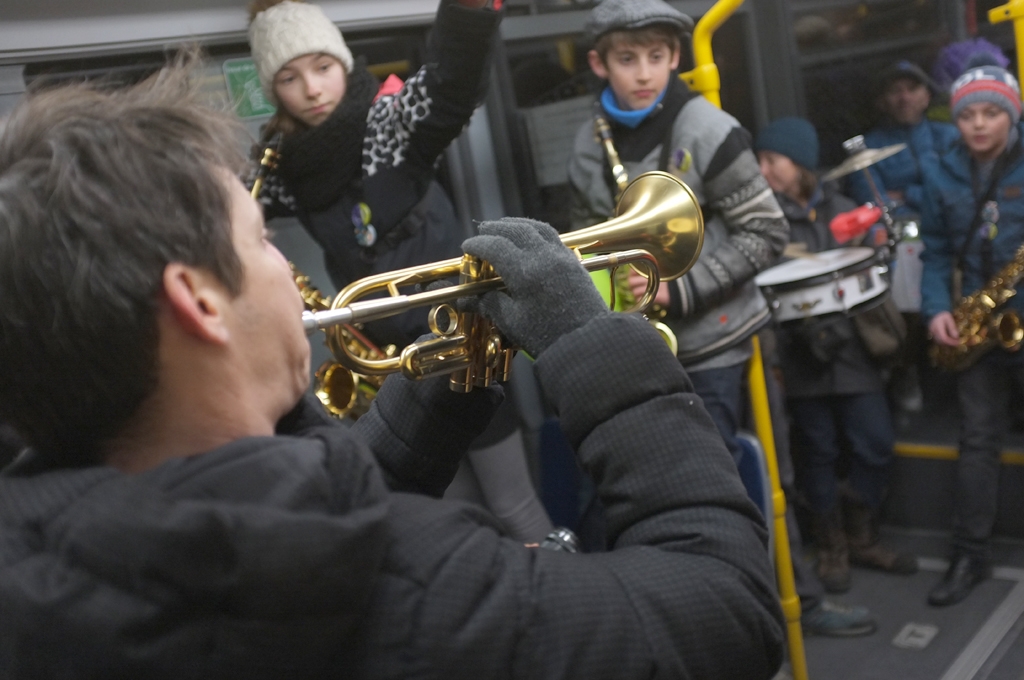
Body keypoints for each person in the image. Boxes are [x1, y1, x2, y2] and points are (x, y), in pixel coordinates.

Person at [0, 54, 785, 678]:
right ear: (198, 303)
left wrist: (439, 392)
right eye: (260, 241)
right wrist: (596, 352)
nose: (284, 265)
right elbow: (729, 607)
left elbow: (293, 508)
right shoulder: (417, 586)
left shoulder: (40, 556)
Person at [247, 0, 553, 542]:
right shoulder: (284, 166)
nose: (312, 89)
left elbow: (450, 87)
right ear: (274, 92)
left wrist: (469, 13)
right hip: (393, 368)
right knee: (454, 514)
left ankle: (560, 607)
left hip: (463, 344)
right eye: (290, 78)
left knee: (512, 505)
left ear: (344, 64)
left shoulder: (384, 125)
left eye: (322, 67)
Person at [567, 0, 789, 472]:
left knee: (709, 470)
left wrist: (679, 291)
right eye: (627, 60)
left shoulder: (711, 129)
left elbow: (767, 231)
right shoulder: (588, 142)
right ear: (598, 63)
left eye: (656, 56)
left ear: (674, 57)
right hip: (635, 349)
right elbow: (587, 237)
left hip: (712, 346)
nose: (643, 74)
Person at [755, 117, 917, 600]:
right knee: (817, 453)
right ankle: (832, 548)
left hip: (852, 351)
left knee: (875, 443)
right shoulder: (764, 223)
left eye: (772, 160)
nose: (763, 170)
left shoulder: (845, 210)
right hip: (801, 356)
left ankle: (860, 532)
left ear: (799, 164)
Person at [920, 55, 1024, 607]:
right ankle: (970, 554)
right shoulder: (941, 169)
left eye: (991, 112)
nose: (979, 124)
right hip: (980, 323)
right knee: (977, 440)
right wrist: (936, 308)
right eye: (968, 115)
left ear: (1010, 113)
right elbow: (936, 253)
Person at [846, 60, 959, 215]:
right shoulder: (867, 149)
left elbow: (960, 193)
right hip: (905, 233)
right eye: (895, 91)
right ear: (881, 102)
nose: (905, 98)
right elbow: (874, 206)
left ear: (927, 97)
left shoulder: (949, 136)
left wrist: (906, 194)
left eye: (912, 89)